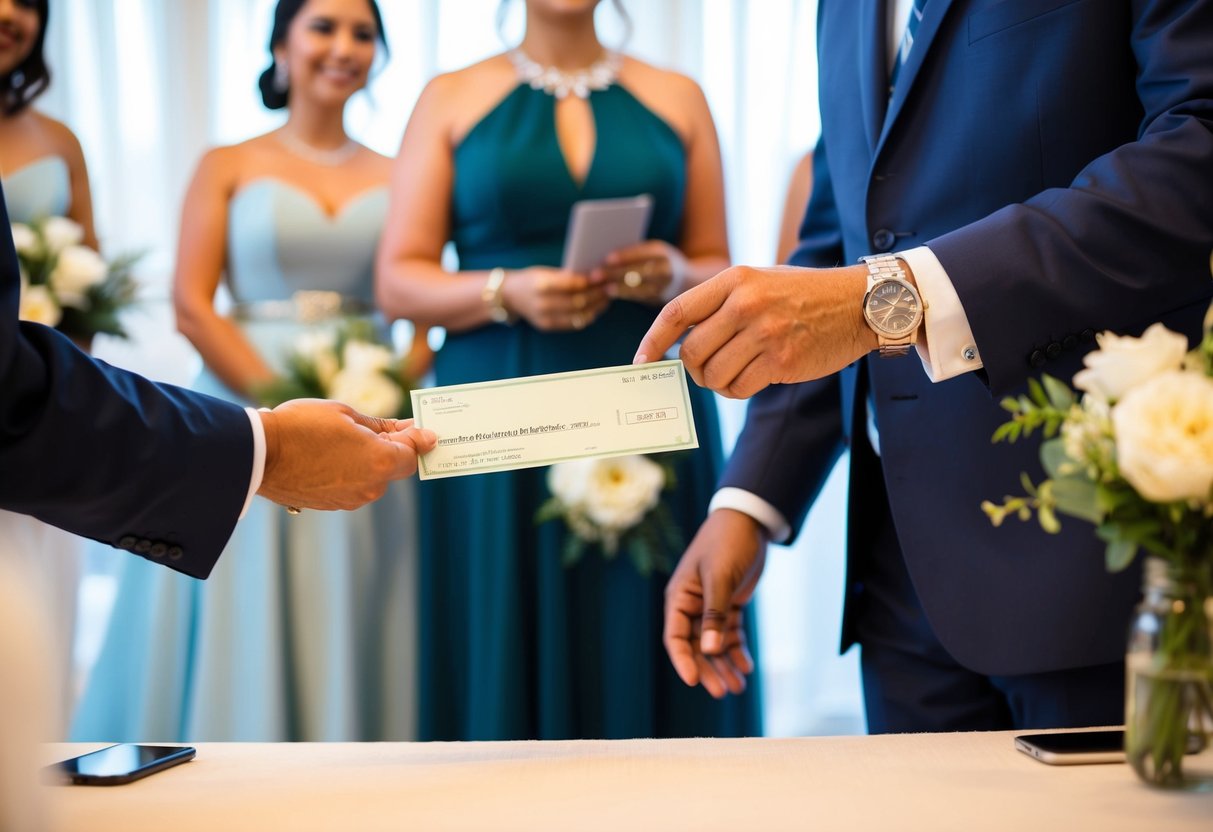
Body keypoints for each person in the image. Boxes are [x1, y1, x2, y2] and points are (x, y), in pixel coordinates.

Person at [636, 0, 1213, 733]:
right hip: (899, 581)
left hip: (1097, 566)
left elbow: (1199, 145)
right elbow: (842, 240)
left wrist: (893, 299)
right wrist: (748, 502)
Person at [375, 0, 760, 740]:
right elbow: (398, 279)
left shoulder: (678, 96)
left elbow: (720, 263)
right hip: (494, 395)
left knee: (641, 612)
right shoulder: (449, 97)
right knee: (502, 616)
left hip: (639, 388)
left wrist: (674, 269)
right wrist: (502, 289)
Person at [72, 0, 432, 743]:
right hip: (246, 401)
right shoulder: (229, 163)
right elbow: (194, 306)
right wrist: (280, 414)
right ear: (281, 43)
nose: (344, 47)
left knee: (362, 583)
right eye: (324, 27)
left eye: (363, 33)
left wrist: (399, 378)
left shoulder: (402, 172)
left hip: (367, 398)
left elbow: (424, 289)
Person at [1, 0, 108, 732]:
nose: (12, 13)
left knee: (37, 599)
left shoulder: (58, 140)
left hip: (36, 394)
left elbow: (93, 273)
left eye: (30, 3)